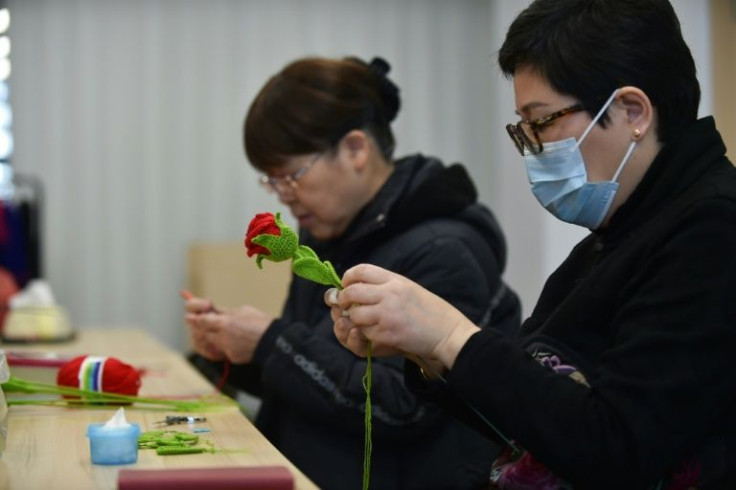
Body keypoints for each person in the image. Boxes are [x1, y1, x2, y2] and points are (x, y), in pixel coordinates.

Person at [329, 1, 736, 488]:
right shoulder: (617, 235)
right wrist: (424, 350)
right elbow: (536, 420)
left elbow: (617, 444)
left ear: (632, 112)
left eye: (542, 122)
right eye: (523, 128)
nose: (534, 148)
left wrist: (449, 336)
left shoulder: (713, 230)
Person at [184, 55, 520, 490]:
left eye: (292, 175)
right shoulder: (330, 232)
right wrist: (235, 348)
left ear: (356, 149)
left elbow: (401, 409)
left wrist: (270, 343)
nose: (284, 196)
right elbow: (315, 383)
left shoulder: (444, 250)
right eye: (272, 181)